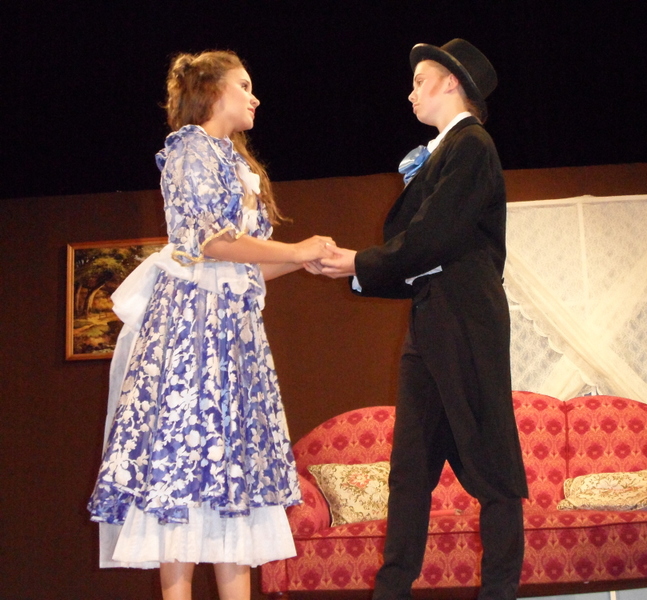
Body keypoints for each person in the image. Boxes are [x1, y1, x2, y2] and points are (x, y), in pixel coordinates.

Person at [87, 50, 335, 600]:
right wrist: (296, 248)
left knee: (231, 478)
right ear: (213, 91)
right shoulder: (189, 150)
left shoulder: (238, 164)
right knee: (182, 465)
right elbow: (210, 242)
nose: (254, 97)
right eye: (244, 85)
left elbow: (248, 264)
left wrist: (302, 260)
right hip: (193, 332)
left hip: (234, 336)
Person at [315, 39, 528, 600]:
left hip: (466, 317)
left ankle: (500, 591)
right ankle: (392, 589)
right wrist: (359, 269)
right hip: (432, 317)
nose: (411, 93)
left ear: (451, 82)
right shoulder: (446, 151)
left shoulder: (472, 144)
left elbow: (435, 237)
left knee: (492, 461)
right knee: (410, 468)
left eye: (419, 81)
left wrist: (358, 263)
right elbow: (416, 247)